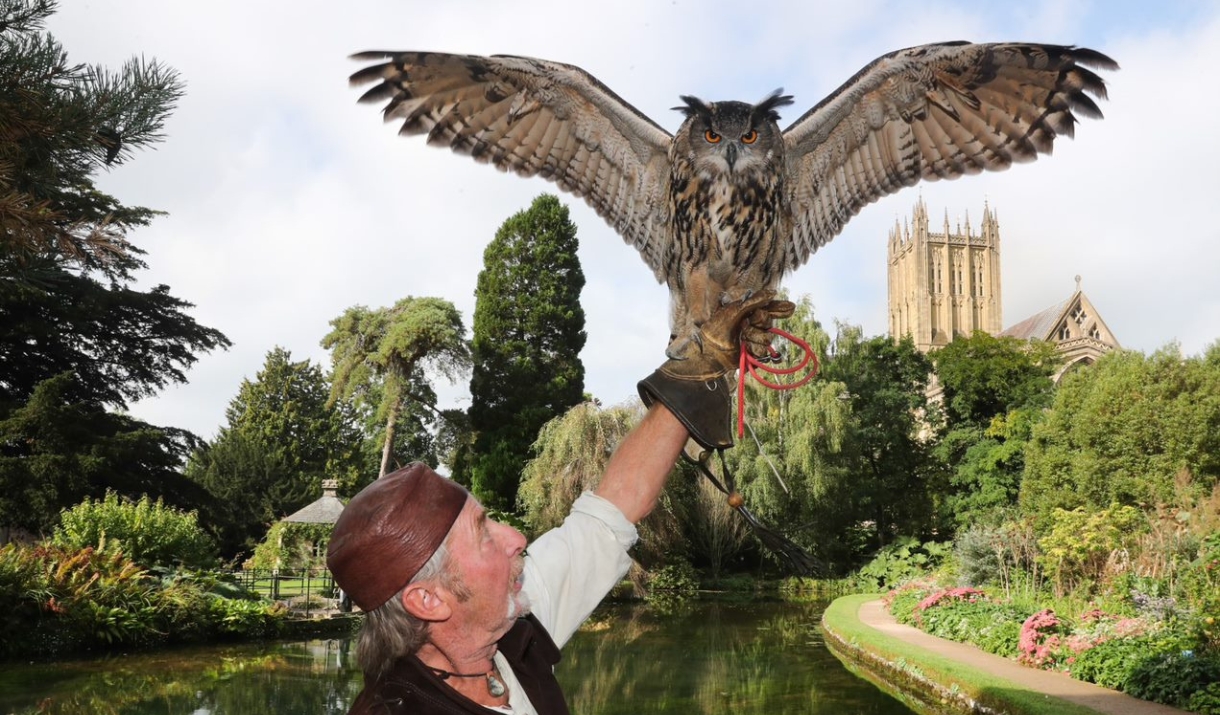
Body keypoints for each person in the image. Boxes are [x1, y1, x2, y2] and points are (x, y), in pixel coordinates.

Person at [326, 291, 793, 714]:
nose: (516, 537)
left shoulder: (506, 626)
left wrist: (702, 364)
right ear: (428, 599)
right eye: (483, 533)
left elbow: (611, 510)